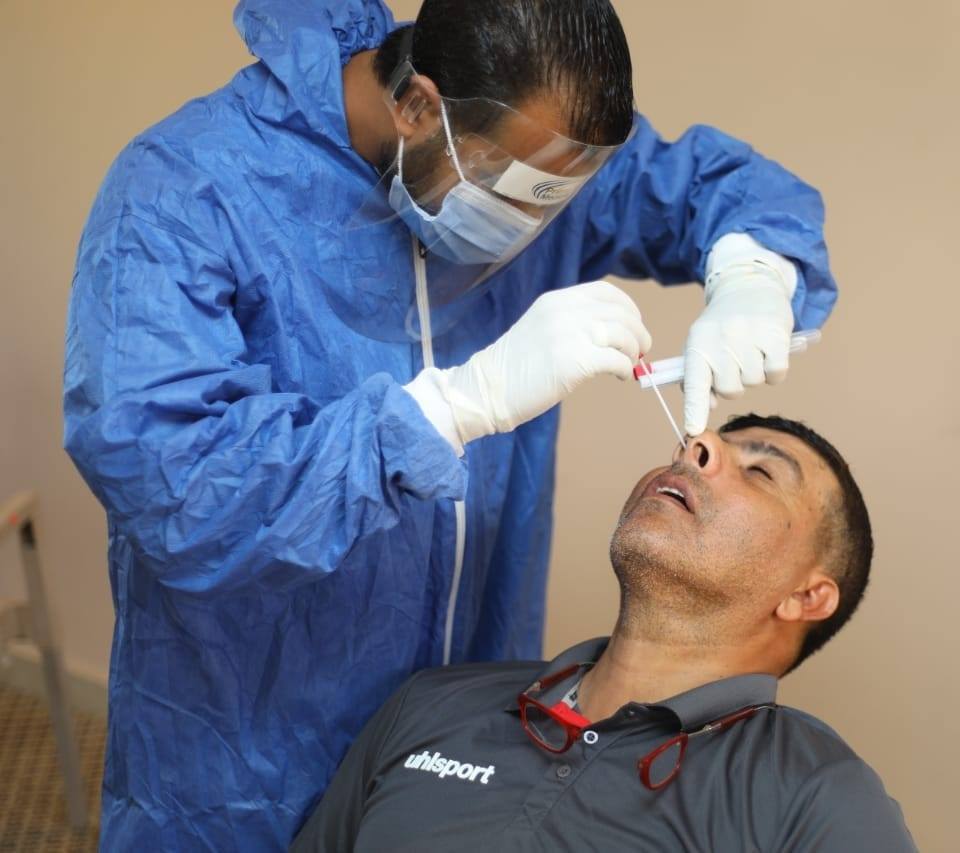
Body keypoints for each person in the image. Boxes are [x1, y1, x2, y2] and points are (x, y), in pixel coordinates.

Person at [63, 0, 835, 847]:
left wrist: (753, 272)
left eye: (556, 201)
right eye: (513, 195)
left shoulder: (538, 154)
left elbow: (711, 187)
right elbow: (178, 489)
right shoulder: (185, 190)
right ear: (418, 106)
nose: (535, 227)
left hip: (459, 752)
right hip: (243, 750)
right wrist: (453, 407)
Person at [292, 415, 915, 852]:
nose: (696, 446)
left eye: (760, 472)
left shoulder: (816, 793)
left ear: (807, 596)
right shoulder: (433, 703)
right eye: (699, 442)